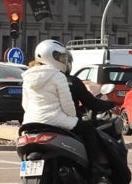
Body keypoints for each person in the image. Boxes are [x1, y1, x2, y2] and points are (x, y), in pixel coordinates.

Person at [22, 40, 118, 179]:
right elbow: (67, 103)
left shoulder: (27, 76)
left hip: (30, 122)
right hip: (55, 120)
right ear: (51, 57)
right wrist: (72, 118)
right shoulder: (58, 76)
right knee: (89, 130)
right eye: (60, 57)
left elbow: (25, 104)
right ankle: (95, 168)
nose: (63, 61)